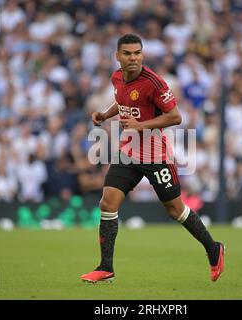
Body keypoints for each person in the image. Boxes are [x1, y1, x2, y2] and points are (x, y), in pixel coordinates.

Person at [80, 34, 224, 283]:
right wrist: (105, 115)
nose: (133, 57)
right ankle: (105, 268)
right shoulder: (117, 77)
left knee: (175, 209)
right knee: (107, 203)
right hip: (128, 151)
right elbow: (122, 102)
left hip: (156, 156)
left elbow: (175, 117)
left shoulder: (154, 83)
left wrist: (141, 125)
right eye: (127, 53)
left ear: (142, 55)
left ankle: (214, 249)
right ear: (118, 56)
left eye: (137, 53)